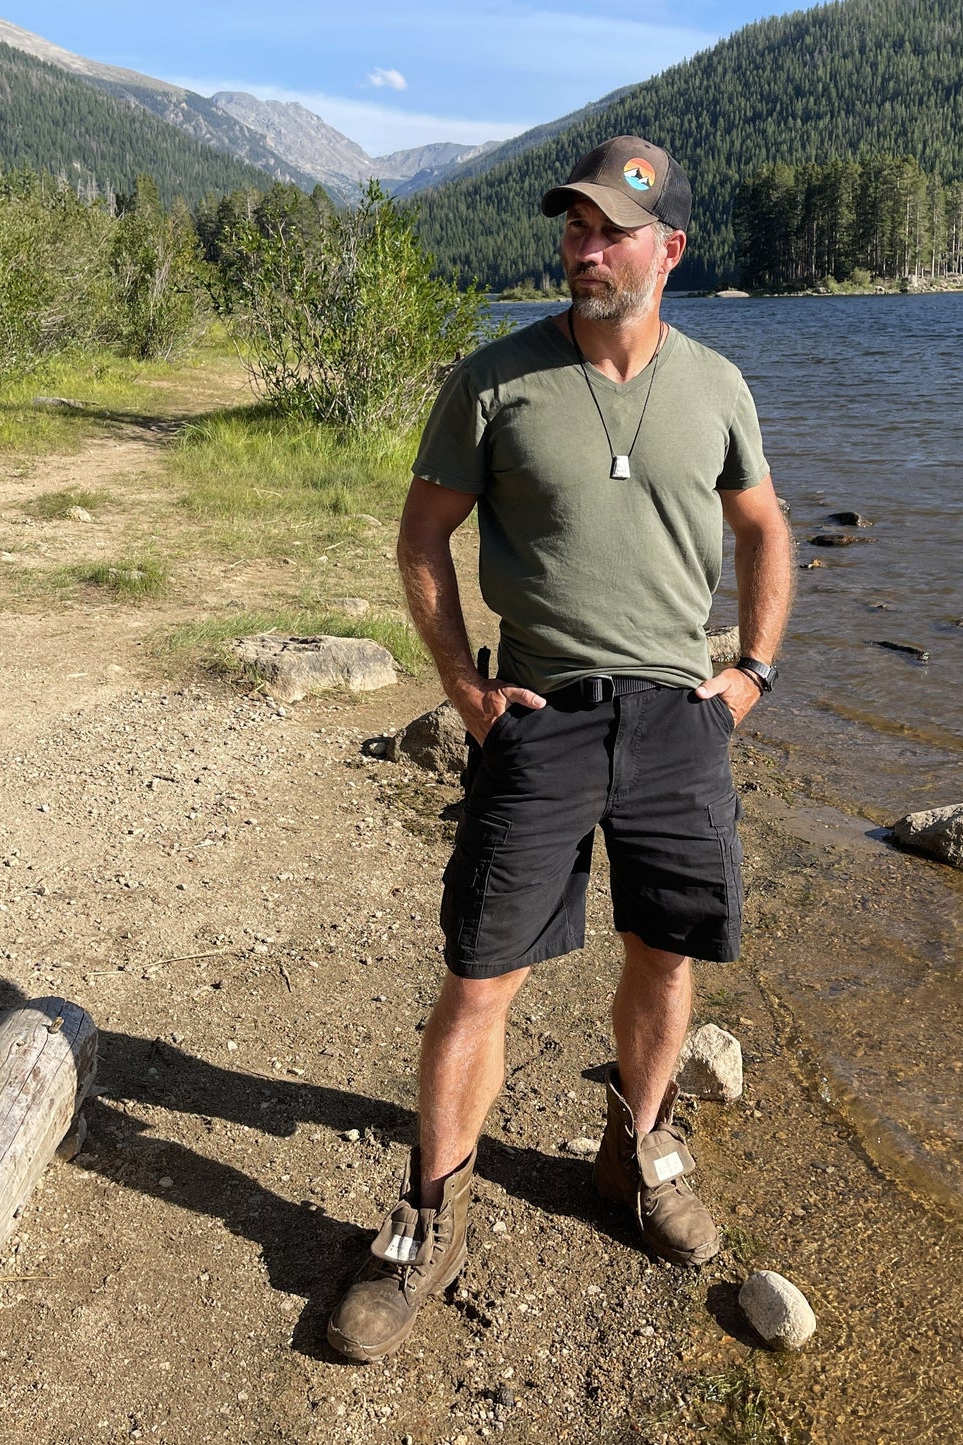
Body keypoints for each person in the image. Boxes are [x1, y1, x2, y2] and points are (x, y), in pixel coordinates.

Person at [328, 135, 793, 1363]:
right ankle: (432, 1218)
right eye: (573, 230)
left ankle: (634, 1153)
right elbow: (421, 538)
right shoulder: (494, 380)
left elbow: (763, 528)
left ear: (667, 249)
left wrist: (750, 670)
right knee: (480, 976)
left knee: (665, 956)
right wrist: (463, 687)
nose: (583, 251)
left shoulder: (718, 387)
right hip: (538, 720)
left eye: (609, 232)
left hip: (678, 724)